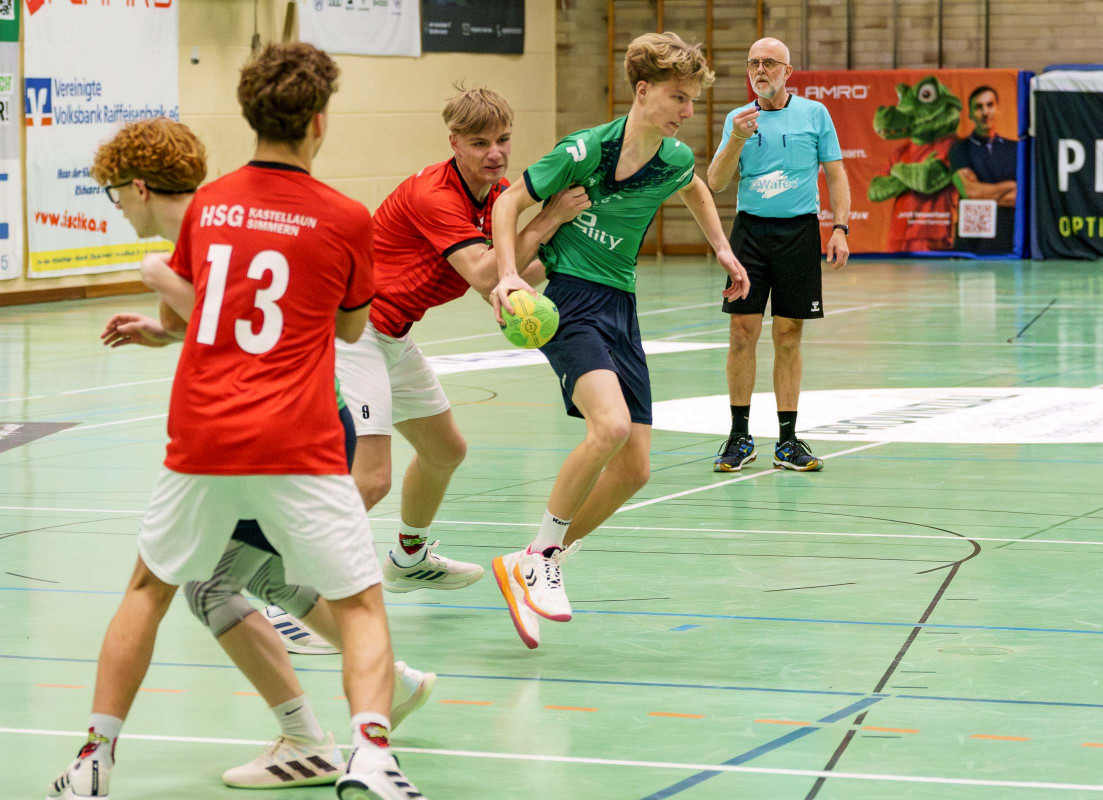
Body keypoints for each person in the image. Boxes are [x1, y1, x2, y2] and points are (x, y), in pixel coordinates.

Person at [48, 43, 427, 800]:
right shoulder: (347, 218)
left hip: (204, 437)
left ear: (248, 115)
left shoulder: (209, 205)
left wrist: (164, 321)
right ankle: (372, 755)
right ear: (319, 122)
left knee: (149, 590)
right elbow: (351, 330)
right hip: (298, 438)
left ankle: (94, 758)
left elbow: (200, 311)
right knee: (358, 604)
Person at [486, 32, 750, 649]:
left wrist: (721, 247)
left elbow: (695, 187)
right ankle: (541, 555)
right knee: (607, 428)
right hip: (570, 300)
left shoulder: (673, 159)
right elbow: (508, 204)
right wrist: (507, 275)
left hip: (621, 305)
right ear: (643, 90)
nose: (688, 110)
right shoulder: (584, 150)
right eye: (679, 97)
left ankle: (534, 560)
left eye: (692, 99)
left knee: (634, 468)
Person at [340, 84, 588, 594]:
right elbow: (483, 272)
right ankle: (288, 587)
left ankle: (409, 558)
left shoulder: (496, 197)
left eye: (503, 139)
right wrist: (549, 218)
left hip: (392, 334)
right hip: (350, 332)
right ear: (454, 142)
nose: (495, 153)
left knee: (445, 450)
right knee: (371, 479)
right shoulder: (435, 195)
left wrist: (568, 249)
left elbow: (506, 279)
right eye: (479, 143)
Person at [705, 36, 850, 473]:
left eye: (769, 63)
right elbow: (715, 182)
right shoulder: (738, 119)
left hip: (799, 234)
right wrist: (736, 138)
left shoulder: (814, 114)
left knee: (788, 334)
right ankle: (739, 437)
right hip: (750, 233)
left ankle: (787, 441)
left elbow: (836, 174)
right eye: (753, 63)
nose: (760, 70)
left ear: (788, 72)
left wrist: (840, 228)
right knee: (741, 333)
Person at [950, 85, 1018, 255]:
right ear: (970, 114)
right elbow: (970, 193)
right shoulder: (960, 149)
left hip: (1009, 243)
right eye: (979, 107)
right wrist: (1010, 185)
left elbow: (1022, 197)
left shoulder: (1016, 149)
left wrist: (984, 193)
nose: (985, 112)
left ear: (998, 109)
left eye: (990, 105)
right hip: (972, 246)